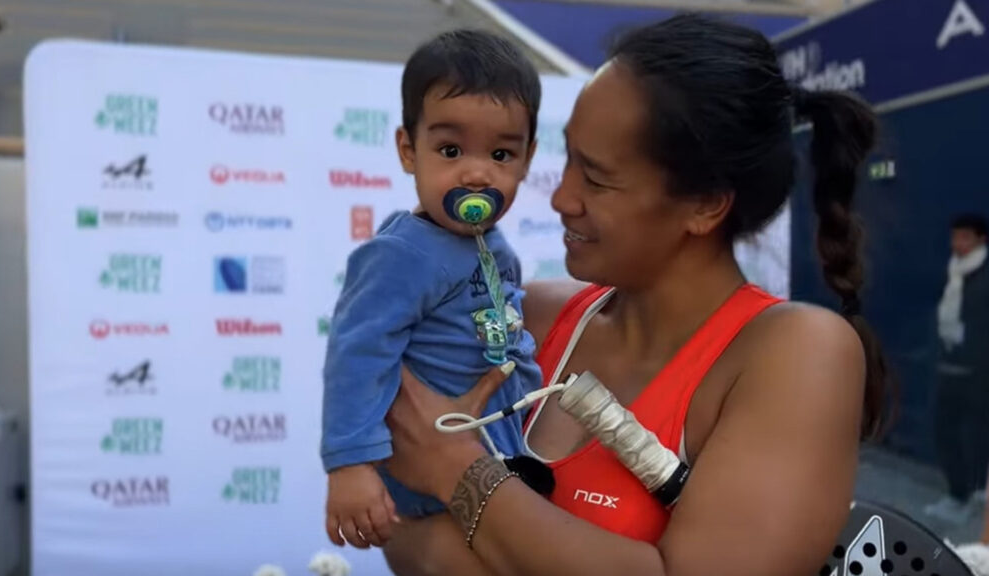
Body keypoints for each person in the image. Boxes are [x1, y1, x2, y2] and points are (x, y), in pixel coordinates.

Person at [380, 14, 890, 576]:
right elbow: (400, 526)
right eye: (568, 158)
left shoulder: (797, 352)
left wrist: (453, 469)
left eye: (596, 179)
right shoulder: (531, 316)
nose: (562, 198)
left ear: (704, 204)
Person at [320, 30, 544, 549]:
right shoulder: (401, 253)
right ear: (408, 150)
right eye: (449, 149)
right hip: (430, 470)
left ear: (528, 159)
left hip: (495, 448)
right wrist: (350, 466)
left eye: (501, 154)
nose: (475, 172)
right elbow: (356, 355)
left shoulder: (494, 245)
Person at [925, 214, 989, 523]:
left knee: (972, 431)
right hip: (951, 363)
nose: (958, 244)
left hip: (978, 370)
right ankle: (962, 492)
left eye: (965, 237)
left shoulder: (984, 275)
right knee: (947, 429)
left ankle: (965, 495)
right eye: (955, 237)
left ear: (981, 240)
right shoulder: (953, 271)